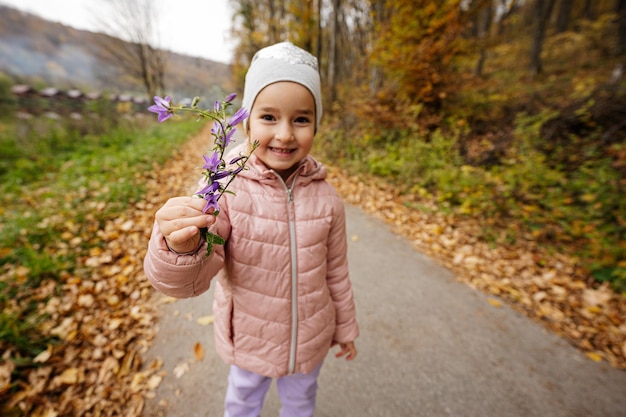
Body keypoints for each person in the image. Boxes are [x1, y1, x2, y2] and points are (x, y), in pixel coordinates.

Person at [143, 41, 359, 417]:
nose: (286, 134)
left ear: (316, 125)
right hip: (249, 340)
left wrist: (345, 328)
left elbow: (336, 272)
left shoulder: (328, 199)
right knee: (242, 403)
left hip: (311, 337)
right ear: (244, 122)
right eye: (269, 117)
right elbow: (194, 274)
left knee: (301, 403)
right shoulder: (225, 187)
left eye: (302, 119)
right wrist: (181, 249)